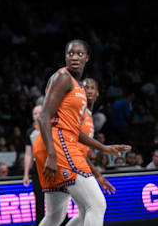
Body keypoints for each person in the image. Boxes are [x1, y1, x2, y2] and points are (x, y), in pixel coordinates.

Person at [33, 40, 131, 226]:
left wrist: (104, 148)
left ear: (87, 58)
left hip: (59, 141)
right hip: (58, 144)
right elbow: (44, 116)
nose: (74, 57)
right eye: (70, 53)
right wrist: (52, 156)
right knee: (96, 205)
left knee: (55, 215)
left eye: (79, 54)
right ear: (65, 57)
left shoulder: (78, 87)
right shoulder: (63, 78)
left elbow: (75, 131)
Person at [66, 78, 117, 226]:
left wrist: (98, 175)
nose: (88, 90)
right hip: (71, 164)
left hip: (75, 163)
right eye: (85, 87)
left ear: (97, 93)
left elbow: (81, 153)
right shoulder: (78, 112)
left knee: (84, 213)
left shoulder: (88, 116)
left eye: (92, 87)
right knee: (97, 206)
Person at [22, 105, 45, 224]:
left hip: (53, 167)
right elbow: (28, 154)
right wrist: (26, 174)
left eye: (40, 112)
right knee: (39, 200)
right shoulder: (30, 133)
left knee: (58, 199)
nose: (37, 115)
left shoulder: (52, 128)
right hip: (37, 169)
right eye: (35, 113)